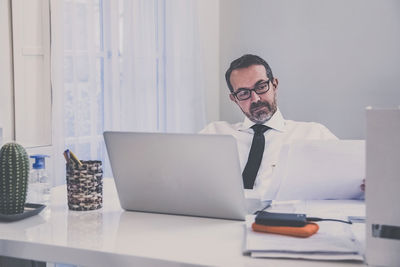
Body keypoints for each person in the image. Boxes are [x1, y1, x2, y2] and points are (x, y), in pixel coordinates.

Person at [200, 54, 338, 198]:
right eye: (243, 93)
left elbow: (350, 181)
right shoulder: (213, 134)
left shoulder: (315, 134)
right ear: (234, 99)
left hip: (285, 219)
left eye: (261, 87)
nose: (255, 99)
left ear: (274, 84)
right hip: (224, 218)